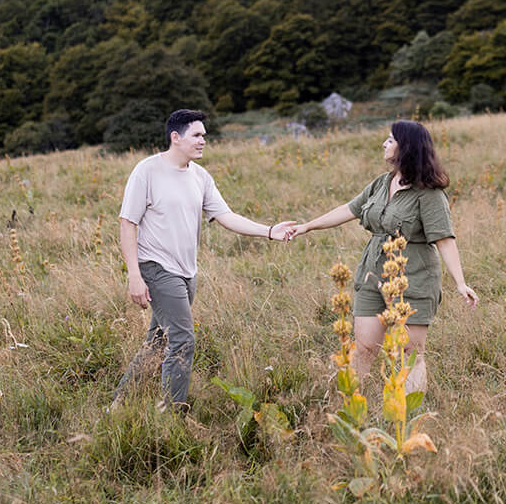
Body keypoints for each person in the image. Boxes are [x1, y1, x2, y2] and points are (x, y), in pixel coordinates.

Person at [114, 108, 294, 409]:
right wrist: (134, 275)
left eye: (204, 136)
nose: (203, 141)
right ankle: (172, 414)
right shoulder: (147, 171)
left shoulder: (200, 177)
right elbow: (127, 222)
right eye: (197, 135)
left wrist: (270, 231)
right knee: (183, 340)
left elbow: (225, 216)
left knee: (158, 341)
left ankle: (120, 402)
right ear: (176, 137)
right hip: (156, 269)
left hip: (187, 273)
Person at [289, 120, 477, 393]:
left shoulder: (429, 193)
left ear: (407, 147)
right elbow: (350, 209)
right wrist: (307, 226)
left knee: (409, 352)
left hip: (413, 278)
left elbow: (444, 240)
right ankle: (354, 407)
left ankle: (409, 415)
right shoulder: (382, 182)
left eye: (390, 140)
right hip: (372, 273)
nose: (384, 144)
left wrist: (460, 283)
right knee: (364, 347)